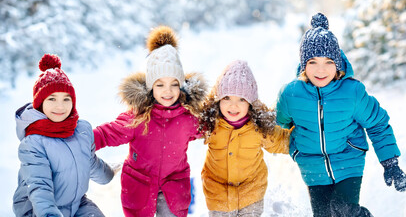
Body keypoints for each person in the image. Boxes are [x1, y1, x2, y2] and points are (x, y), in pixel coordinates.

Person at [275, 13, 406, 217]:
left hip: (348, 161)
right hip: (312, 167)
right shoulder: (291, 94)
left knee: (343, 209)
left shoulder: (352, 92)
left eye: (328, 62)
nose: (321, 70)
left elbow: (378, 124)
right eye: (313, 62)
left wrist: (390, 162)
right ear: (303, 65)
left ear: (338, 63)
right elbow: (279, 126)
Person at [93, 26, 208, 217]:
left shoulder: (188, 117)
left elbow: (213, 128)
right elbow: (108, 133)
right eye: (160, 84)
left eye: (174, 84)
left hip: (173, 186)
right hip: (140, 186)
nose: (168, 91)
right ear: (150, 87)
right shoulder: (139, 117)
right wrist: (82, 139)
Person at [13, 54, 115, 217]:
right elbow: (40, 186)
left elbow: (89, 162)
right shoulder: (33, 143)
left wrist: (109, 173)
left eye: (66, 99)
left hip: (76, 203)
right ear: (40, 103)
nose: (60, 106)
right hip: (37, 209)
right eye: (52, 99)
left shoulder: (82, 130)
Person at [200, 60, 293, 217]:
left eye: (241, 99)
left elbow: (282, 141)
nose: (233, 105)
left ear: (250, 103)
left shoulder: (258, 127)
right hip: (218, 195)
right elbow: (183, 131)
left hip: (251, 193)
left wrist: (307, 134)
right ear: (218, 99)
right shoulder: (211, 124)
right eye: (227, 98)